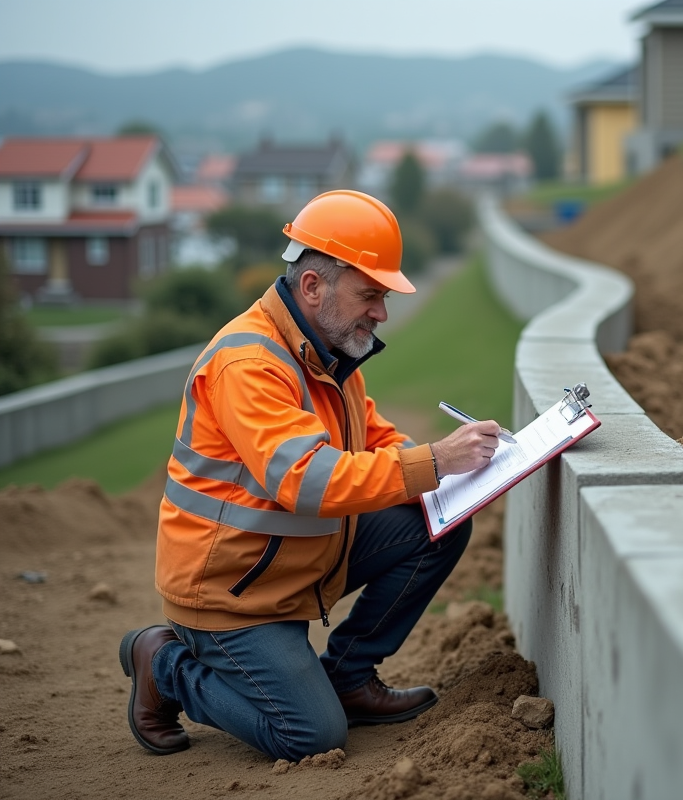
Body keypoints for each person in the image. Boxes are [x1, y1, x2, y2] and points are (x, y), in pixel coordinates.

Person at [118, 190, 502, 761]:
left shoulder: (328, 348)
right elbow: (308, 481)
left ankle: (349, 676)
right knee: (311, 736)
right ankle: (165, 663)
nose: (381, 312)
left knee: (439, 522)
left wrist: (457, 471)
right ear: (313, 286)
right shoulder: (248, 364)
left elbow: (374, 438)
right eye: (370, 294)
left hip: (291, 569)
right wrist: (436, 462)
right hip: (233, 593)